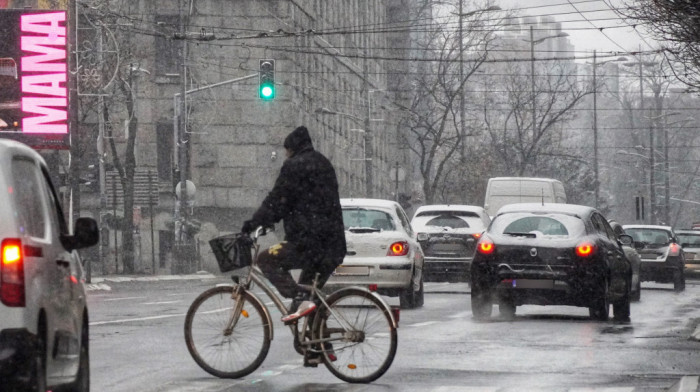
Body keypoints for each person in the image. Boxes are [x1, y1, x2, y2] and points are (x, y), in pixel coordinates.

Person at [241, 126, 347, 324]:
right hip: (333, 245)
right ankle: (318, 349)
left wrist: (253, 223)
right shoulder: (323, 162)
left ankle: (298, 297)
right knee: (308, 303)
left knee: (266, 260)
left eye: (286, 151)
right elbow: (297, 200)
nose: (285, 155)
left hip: (309, 243)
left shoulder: (294, 166)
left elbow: (277, 200)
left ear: (291, 148)